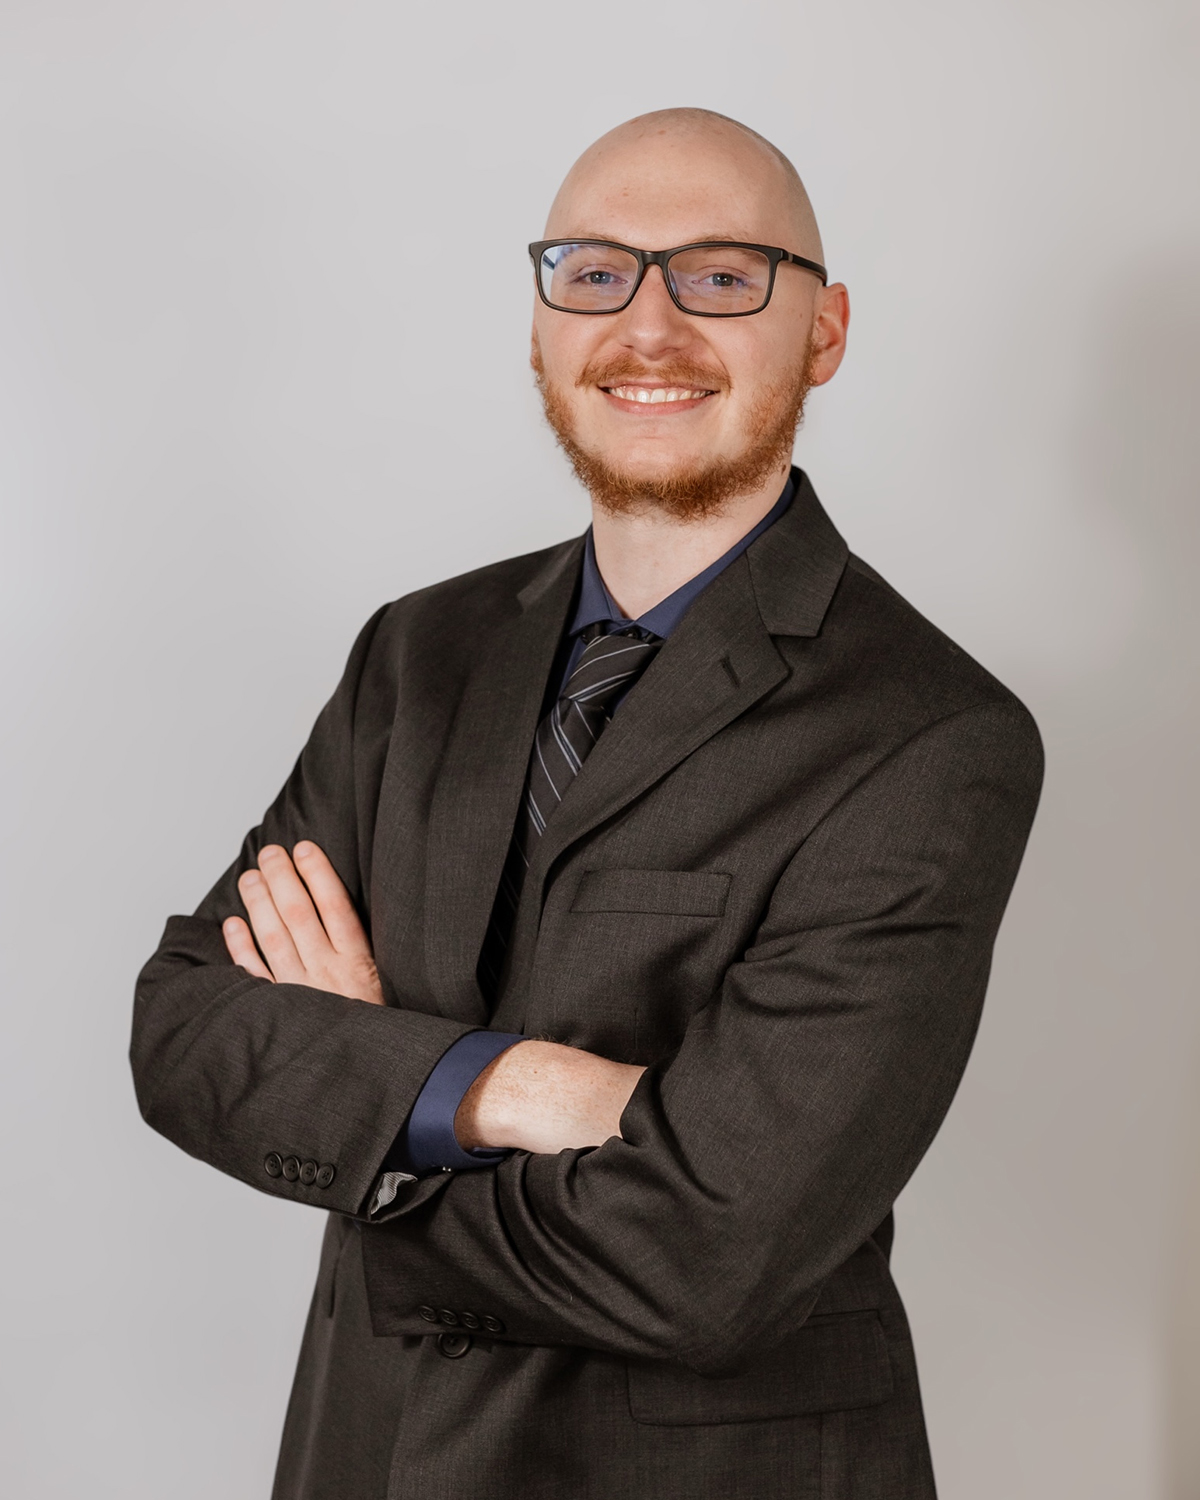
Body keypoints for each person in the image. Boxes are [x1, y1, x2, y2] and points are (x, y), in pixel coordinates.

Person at [131, 107, 1043, 1499]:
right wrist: (523, 1090)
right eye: (597, 272)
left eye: (722, 276)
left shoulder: (929, 734)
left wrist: (373, 1103)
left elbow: (712, 1255)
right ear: (543, 327)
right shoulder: (416, 655)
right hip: (367, 1456)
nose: (649, 327)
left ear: (824, 332)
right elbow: (189, 1030)